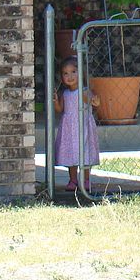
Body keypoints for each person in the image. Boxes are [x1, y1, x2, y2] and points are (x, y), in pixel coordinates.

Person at [53, 57, 100, 191]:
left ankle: (85, 179)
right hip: (69, 129)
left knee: (85, 152)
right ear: (61, 77)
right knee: (70, 154)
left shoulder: (84, 91)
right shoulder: (65, 93)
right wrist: (56, 102)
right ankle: (73, 180)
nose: (70, 76)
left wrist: (95, 101)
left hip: (82, 127)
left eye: (73, 71)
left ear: (81, 73)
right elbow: (60, 109)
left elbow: (91, 100)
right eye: (65, 73)